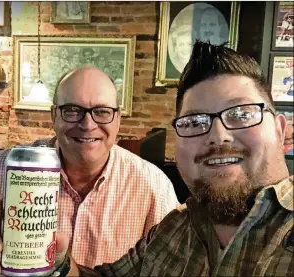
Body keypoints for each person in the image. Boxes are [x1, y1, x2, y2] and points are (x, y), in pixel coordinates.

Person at [38, 41, 291, 276]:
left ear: (280, 130)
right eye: (195, 121)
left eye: (241, 114)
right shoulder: (172, 229)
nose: (218, 135)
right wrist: (54, 260)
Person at [0, 66, 179, 274]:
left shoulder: (154, 186)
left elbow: (168, 267)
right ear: (54, 116)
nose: (87, 124)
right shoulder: (2, 169)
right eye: (72, 110)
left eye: (102, 112)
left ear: (118, 119)